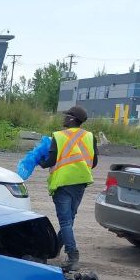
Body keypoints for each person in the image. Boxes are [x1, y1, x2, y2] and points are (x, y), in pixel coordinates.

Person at [38, 105, 98, 271]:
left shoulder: (59, 136)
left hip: (63, 183)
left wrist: (39, 162)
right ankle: (54, 249)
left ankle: (72, 255)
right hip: (81, 183)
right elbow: (94, 162)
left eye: (66, 116)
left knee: (65, 221)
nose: (63, 118)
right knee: (68, 220)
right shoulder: (89, 136)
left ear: (72, 119)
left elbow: (50, 161)